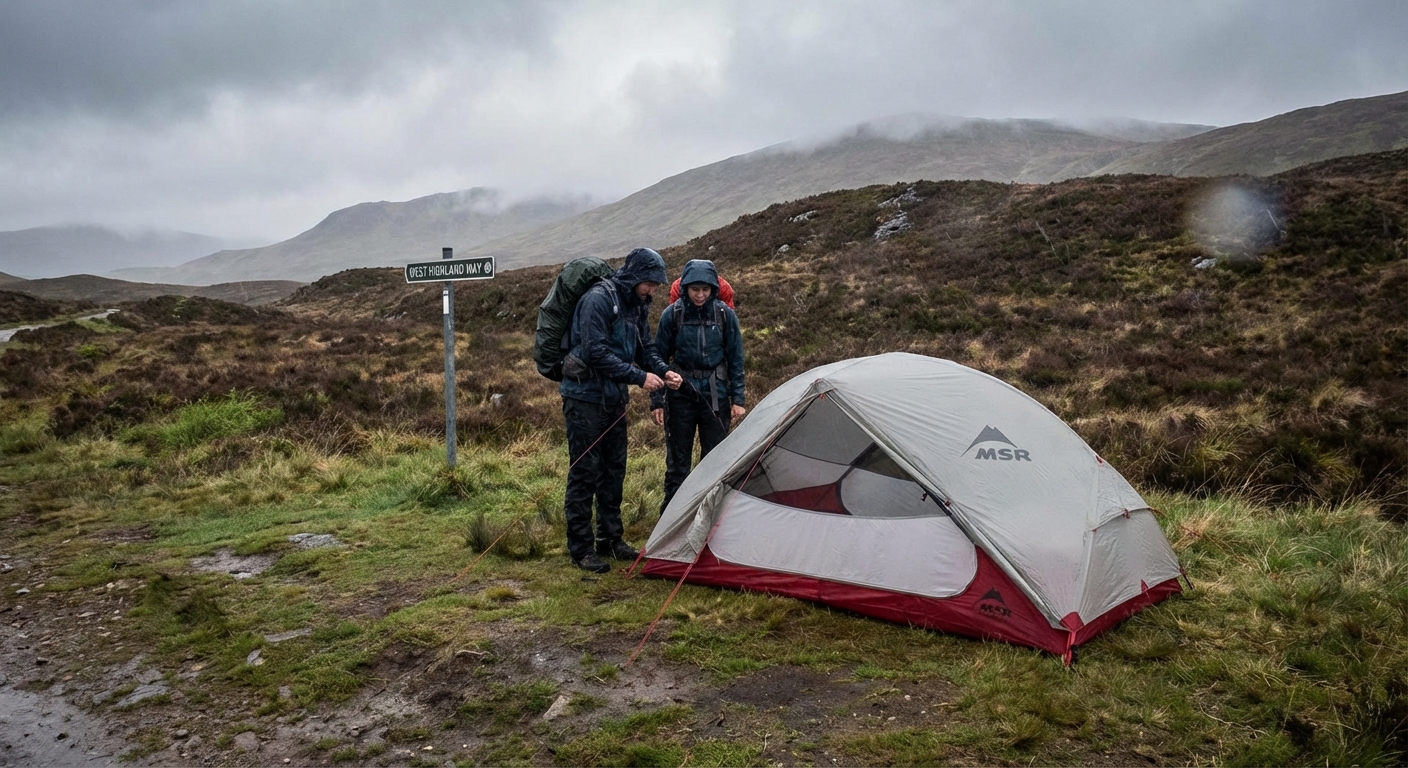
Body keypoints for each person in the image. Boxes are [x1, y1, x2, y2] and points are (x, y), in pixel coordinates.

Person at [560, 247, 682, 574]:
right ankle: (581, 548)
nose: (653, 290)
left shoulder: (636, 305)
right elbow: (595, 352)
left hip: (614, 397)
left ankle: (610, 540)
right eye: (650, 283)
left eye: (656, 285)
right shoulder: (598, 300)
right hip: (584, 396)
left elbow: (646, 349)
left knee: (615, 469)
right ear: (635, 276)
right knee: (586, 471)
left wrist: (662, 370)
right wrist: (640, 378)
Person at [651, 259, 746, 513]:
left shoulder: (726, 315)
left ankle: (709, 517)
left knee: (714, 460)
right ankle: (671, 518)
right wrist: (657, 399)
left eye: (705, 289)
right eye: (695, 289)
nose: (700, 295)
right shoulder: (672, 315)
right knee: (677, 462)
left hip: (716, 395)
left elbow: (736, 358)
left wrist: (738, 399)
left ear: (714, 288)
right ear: (685, 288)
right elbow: (657, 357)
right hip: (680, 395)